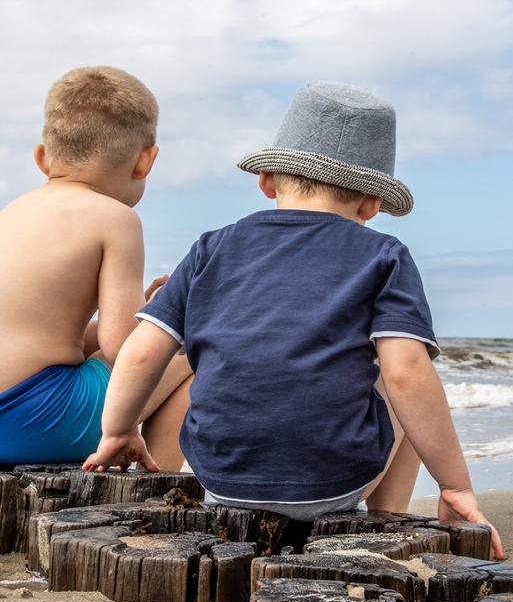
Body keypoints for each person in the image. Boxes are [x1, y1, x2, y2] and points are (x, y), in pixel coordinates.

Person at [83, 82, 503, 559]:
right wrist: (456, 485)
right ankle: (385, 523)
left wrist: (118, 431)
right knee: (405, 371)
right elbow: (406, 372)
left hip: (221, 478)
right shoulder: (384, 254)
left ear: (267, 181)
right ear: (371, 205)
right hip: (332, 485)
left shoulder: (212, 247)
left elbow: (142, 349)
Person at [0, 66, 192, 466]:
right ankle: (155, 483)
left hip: (14, 412)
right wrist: (161, 321)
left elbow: (47, 335)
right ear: (145, 162)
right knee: (190, 353)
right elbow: (123, 347)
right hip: (38, 417)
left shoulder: (12, 213)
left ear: (41, 157)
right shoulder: (117, 219)